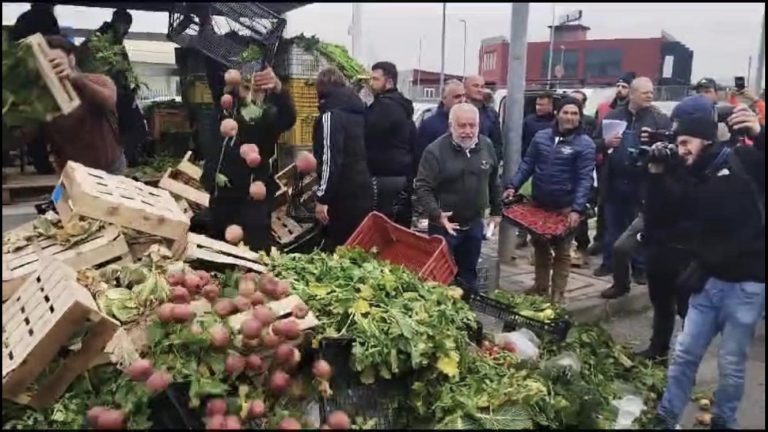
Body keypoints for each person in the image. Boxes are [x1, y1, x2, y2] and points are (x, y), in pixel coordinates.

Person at [650, 96, 764, 430]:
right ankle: (666, 418)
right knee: (684, 355)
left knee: (731, 363)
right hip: (707, 281)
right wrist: (657, 174)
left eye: (685, 141)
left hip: (747, 285)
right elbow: (659, 220)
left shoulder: (745, 160)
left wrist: (760, 133)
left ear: (705, 137)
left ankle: (724, 421)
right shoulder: (688, 174)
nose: (680, 148)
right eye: (676, 141)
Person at [504, 97, 596, 304]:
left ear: (580, 118)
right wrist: (513, 186)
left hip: (566, 206)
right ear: (557, 113)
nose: (570, 117)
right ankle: (540, 286)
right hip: (540, 203)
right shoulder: (541, 137)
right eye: (566, 112)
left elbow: (585, 178)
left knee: (562, 251)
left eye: (575, 114)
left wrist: (577, 208)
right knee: (540, 246)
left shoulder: (585, 145)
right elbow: (527, 164)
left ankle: (558, 293)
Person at [203, 66, 297, 253]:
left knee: (255, 248)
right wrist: (210, 178)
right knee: (221, 250)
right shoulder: (225, 111)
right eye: (246, 88)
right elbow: (212, 149)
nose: (252, 95)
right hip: (224, 196)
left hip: (253, 196)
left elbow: (288, 117)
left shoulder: (268, 117)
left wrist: (279, 89)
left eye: (258, 90)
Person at [593, 77, 671, 295]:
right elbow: (594, 143)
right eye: (645, 92)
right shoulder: (613, 117)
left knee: (640, 231)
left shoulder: (659, 120)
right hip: (615, 182)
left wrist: (655, 142)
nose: (650, 96)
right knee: (612, 228)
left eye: (651, 92)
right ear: (633, 94)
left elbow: (670, 148)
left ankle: (640, 268)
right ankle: (610, 265)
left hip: (644, 184)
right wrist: (605, 144)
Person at [415, 103, 502, 295]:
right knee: (440, 278)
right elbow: (422, 187)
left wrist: (497, 211)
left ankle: (466, 313)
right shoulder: (435, 151)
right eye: (462, 126)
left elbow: (494, 180)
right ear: (450, 125)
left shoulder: (486, 146)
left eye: (473, 126)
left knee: (469, 274)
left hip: (474, 224)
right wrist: (436, 214)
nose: (468, 131)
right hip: (444, 227)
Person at [40, 36, 124, 175]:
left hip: (109, 168)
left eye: (57, 62)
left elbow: (108, 101)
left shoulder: (97, 81)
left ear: (71, 59)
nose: (53, 68)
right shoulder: (42, 97)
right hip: (72, 173)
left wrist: (74, 78)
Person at [78, 9, 150, 168]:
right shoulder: (100, 41)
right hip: (107, 92)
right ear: (119, 23)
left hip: (113, 91)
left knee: (132, 126)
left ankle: (126, 157)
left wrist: (130, 84)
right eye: (126, 27)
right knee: (132, 126)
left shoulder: (109, 40)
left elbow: (124, 67)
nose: (126, 32)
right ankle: (125, 158)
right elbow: (102, 67)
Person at [313, 67, 373, 251]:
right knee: (357, 247)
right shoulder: (359, 112)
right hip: (363, 188)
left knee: (339, 247)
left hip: (342, 195)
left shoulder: (331, 116)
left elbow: (331, 160)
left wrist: (322, 198)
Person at [10, 3, 61, 175]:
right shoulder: (47, 19)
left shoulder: (22, 19)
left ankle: (40, 161)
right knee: (44, 121)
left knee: (30, 121)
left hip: (22, 76)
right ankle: (44, 163)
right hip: (40, 75)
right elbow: (54, 44)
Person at [364, 61, 417, 227]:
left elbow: (367, 134)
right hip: (402, 175)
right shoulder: (402, 106)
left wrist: (364, 107)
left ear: (389, 81)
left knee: (384, 229)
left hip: (385, 177)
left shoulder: (383, 107)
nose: (371, 84)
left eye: (376, 79)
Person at [568, 89, 598, 266]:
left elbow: (598, 142)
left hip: (580, 181)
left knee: (580, 219)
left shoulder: (589, 126)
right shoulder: (551, 133)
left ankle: (581, 248)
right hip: (560, 185)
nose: (570, 116)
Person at [415, 81, 466, 162]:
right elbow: (420, 157)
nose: (462, 100)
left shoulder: (471, 123)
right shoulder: (429, 126)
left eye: (464, 96)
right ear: (444, 99)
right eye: (457, 97)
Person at [464, 75, 504, 161]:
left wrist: (492, 163)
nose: (479, 89)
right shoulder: (457, 111)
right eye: (475, 86)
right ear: (465, 88)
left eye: (482, 86)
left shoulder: (491, 114)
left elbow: (497, 143)